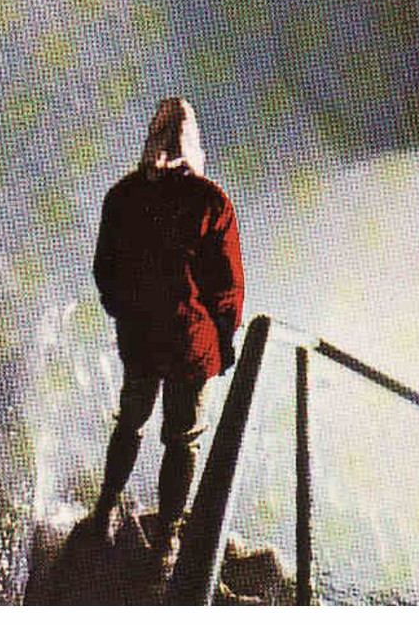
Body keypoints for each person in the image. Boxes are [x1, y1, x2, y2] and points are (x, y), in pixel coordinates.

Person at [90, 97, 245, 577]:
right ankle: (166, 538)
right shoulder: (211, 201)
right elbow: (226, 287)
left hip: (140, 337)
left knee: (131, 421)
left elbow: (105, 272)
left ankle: (103, 513)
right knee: (182, 440)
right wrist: (224, 339)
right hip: (191, 344)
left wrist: (126, 315)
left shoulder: (122, 195)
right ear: (192, 144)